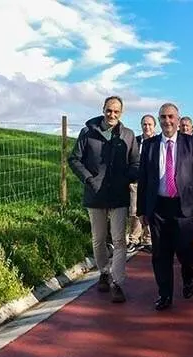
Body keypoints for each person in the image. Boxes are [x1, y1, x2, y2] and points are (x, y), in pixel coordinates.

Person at [68, 95, 140, 303]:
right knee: (99, 239)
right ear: (103, 109)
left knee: (119, 240)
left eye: (116, 111)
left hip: (118, 195)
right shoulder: (87, 133)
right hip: (95, 193)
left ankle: (117, 282)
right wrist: (89, 179)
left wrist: (128, 177)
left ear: (122, 113)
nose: (112, 114)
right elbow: (74, 159)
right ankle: (104, 272)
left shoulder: (128, 135)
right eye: (109, 110)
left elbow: (135, 161)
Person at [137, 103, 193, 311]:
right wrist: (142, 210)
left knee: (185, 250)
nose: (167, 121)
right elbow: (143, 179)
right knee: (160, 253)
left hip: (183, 207)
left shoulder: (192, 143)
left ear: (178, 119)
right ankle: (164, 294)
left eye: (171, 117)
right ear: (159, 120)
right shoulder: (150, 145)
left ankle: (188, 278)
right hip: (158, 207)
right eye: (163, 117)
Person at [128, 114, 155, 253]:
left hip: (152, 184)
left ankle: (148, 240)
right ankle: (134, 239)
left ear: (154, 126)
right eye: (144, 124)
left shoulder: (158, 142)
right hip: (136, 182)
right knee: (134, 211)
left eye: (150, 124)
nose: (147, 127)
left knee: (150, 211)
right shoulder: (136, 141)